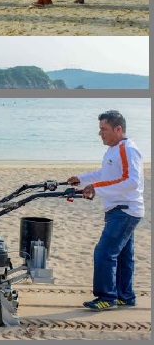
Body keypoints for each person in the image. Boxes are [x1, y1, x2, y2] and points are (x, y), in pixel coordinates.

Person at [67, 110, 144, 312]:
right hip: (119, 209)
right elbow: (105, 173)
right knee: (122, 256)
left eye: (104, 129)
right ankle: (125, 297)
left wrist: (97, 189)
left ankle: (106, 297)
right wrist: (82, 180)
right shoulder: (113, 149)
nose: (100, 133)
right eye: (100, 129)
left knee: (104, 253)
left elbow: (132, 181)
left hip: (125, 210)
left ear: (118, 129)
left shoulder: (127, 149)